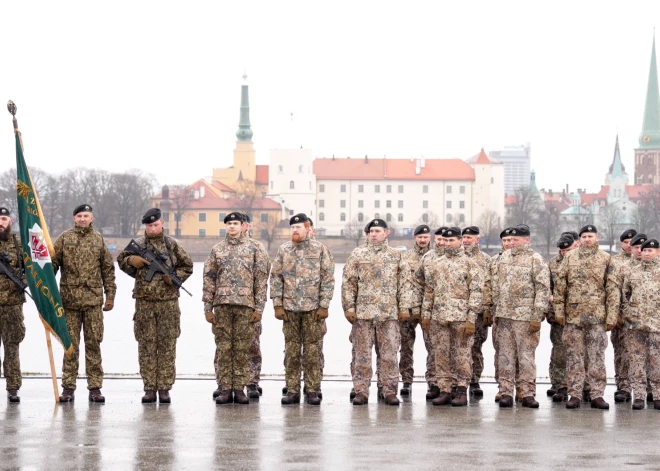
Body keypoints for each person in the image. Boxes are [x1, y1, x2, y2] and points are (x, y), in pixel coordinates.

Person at [117, 208, 193, 404]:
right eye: (149, 225)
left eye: (156, 224)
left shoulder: (172, 245)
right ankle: (149, 388)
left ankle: (165, 388)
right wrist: (131, 261)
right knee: (146, 346)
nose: (153, 228)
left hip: (168, 304)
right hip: (144, 303)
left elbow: (188, 266)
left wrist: (175, 279)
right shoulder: (139, 244)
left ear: (162, 224)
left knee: (167, 346)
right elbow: (121, 261)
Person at [342, 218, 412, 406]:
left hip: (388, 314)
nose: (373, 234)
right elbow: (348, 283)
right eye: (371, 231)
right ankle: (361, 391)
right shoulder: (358, 254)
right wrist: (349, 307)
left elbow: (405, 284)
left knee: (389, 355)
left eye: (377, 231)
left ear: (386, 233)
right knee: (362, 355)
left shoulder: (396, 256)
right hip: (363, 315)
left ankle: (389, 390)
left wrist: (404, 308)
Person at [202, 212, 268, 405]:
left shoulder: (254, 249)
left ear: (243, 226)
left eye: (235, 223)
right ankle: (225, 388)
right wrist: (207, 306)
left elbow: (261, 280)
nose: (232, 227)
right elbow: (209, 278)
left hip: (245, 306)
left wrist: (259, 308)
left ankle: (239, 389)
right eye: (229, 223)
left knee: (241, 348)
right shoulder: (217, 249)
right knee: (224, 348)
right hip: (222, 305)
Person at [52, 204, 116, 403]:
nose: (82, 219)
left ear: (92, 218)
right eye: (79, 215)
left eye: (85, 215)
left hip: (93, 302)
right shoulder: (64, 238)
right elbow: (52, 266)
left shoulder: (98, 239)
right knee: (70, 346)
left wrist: (111, 295)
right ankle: (68, 388)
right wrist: (45, 292)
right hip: (69, 302)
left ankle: (95, 388)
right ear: (74, 218)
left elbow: (108, 269)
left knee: (93, 345)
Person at [271, 213, 334, 405]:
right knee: (291, 351)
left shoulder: (320, 250)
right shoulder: (284, 250)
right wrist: (277, 304)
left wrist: (324, 305)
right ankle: (292, 390)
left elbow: (328, 279)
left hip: (313, 309)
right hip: (290, 309)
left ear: (308, 229)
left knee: (313, 351)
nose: (295, 231)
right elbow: (275, 278)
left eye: (298, 227)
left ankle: (312, 389)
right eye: (292, 228)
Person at [553, 225, 617, 410]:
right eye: (584, 236)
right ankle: (575, 394)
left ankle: (597, 394)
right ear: (579, 240)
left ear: (597, 238)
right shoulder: (570, 257)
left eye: (590, 236)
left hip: (597, 318)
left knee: (597, 356)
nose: (587, 239)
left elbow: (612, 289)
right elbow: (560, 287)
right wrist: (559, 312)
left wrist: (611, 316)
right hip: (574, 318)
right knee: (574, 357)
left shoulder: (605, 259)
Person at [419, 227, 482, 406]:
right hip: (439, 318)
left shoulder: (470, 264)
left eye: (451, 240)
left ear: (460, 241)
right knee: (441, 354)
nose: (447, 244)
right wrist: (426, 315)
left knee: (462, 356)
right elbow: (429, 291)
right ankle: (445, 389)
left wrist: (471, 319)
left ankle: (461, 390)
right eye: (445, 241)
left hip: (461, 318)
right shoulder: (436, 263)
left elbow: (476, 293)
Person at [492, 224, 550, 408]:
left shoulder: (536, 260)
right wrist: (495, 310)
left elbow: (542, 289)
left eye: (517, 239)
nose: (513, 243)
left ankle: (527, 393)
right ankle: (507, 392)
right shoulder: (503, 258)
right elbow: (495, 285)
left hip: (525, 317)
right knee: (505, 356)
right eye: (511, 240)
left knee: (526, 357)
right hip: (504, 316)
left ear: (527, 240)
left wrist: (537, 316)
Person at [621, 239, 660, 410]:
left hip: (657, 324)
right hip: (635, 325)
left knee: (656, 360)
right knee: (636, 360)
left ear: (658, 252)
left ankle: (657, 394)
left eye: (650, 250)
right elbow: (624, 296)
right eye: (644, 251)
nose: (646, 253)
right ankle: (638, 396)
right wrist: (627, 314)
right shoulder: (632, 272)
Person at [398, 224, 435, 397]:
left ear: (430, 238)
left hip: (429, 310)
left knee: (433, 346)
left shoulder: (435, 257)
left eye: (425, 237)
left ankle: (433, 381)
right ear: (415, 238)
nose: (422, 240)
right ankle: (406, 380)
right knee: (406, 346)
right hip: (409, 309)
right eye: (419, 237)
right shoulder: (405, 257)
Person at [412, 226, 446, 400]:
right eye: (439, 239)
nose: (441, 242)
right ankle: (433, 383)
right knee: (432, 349)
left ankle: (447, 385)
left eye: (445, 239)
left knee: (444, 349)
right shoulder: (428, 258)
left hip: (449, 312)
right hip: (429, 311)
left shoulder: (457, 259)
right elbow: (418, 284)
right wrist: (418, 308)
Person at [461, 226, 492, 397]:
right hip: (459, 311)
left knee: (476, 347)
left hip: (479, 312)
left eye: (469, 237)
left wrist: (487, 309)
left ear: (477, 240)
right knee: (459, 348)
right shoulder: (457, 258)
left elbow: (489, 286)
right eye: (464, 237)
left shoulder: (485, 259)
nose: (466, 240)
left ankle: (474, 380)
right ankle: (459, 381)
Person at [547, 234, 578, 402]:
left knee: (579, 352)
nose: (565, 253)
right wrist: (551, 299)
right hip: (558, 315)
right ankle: (560, 384)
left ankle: (581, 385)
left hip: (578, 314)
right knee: (559, 351)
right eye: (562, 250)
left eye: (568, 249)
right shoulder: (552, 263)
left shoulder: (580, 261)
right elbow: (547, 287)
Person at [0, 207, 26, 403]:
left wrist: (22, 280)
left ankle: (13, 388)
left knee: (12, 347)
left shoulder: (19, 244)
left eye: (4, 219)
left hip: (13, 304)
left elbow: (32, 269)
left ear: (10, 222)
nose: (1, 222)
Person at [610, 228, 637, 403]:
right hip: (621, 317)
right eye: (626, 242)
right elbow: (611, 290)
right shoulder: (614, 262)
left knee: (644, 353)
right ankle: (623, 386)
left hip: (642, 317)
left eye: (632, 242)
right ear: (621, 243)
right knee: (621, 352)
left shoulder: (644, 260)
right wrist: (614, 315)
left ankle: (648, 387)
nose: (629, 245)